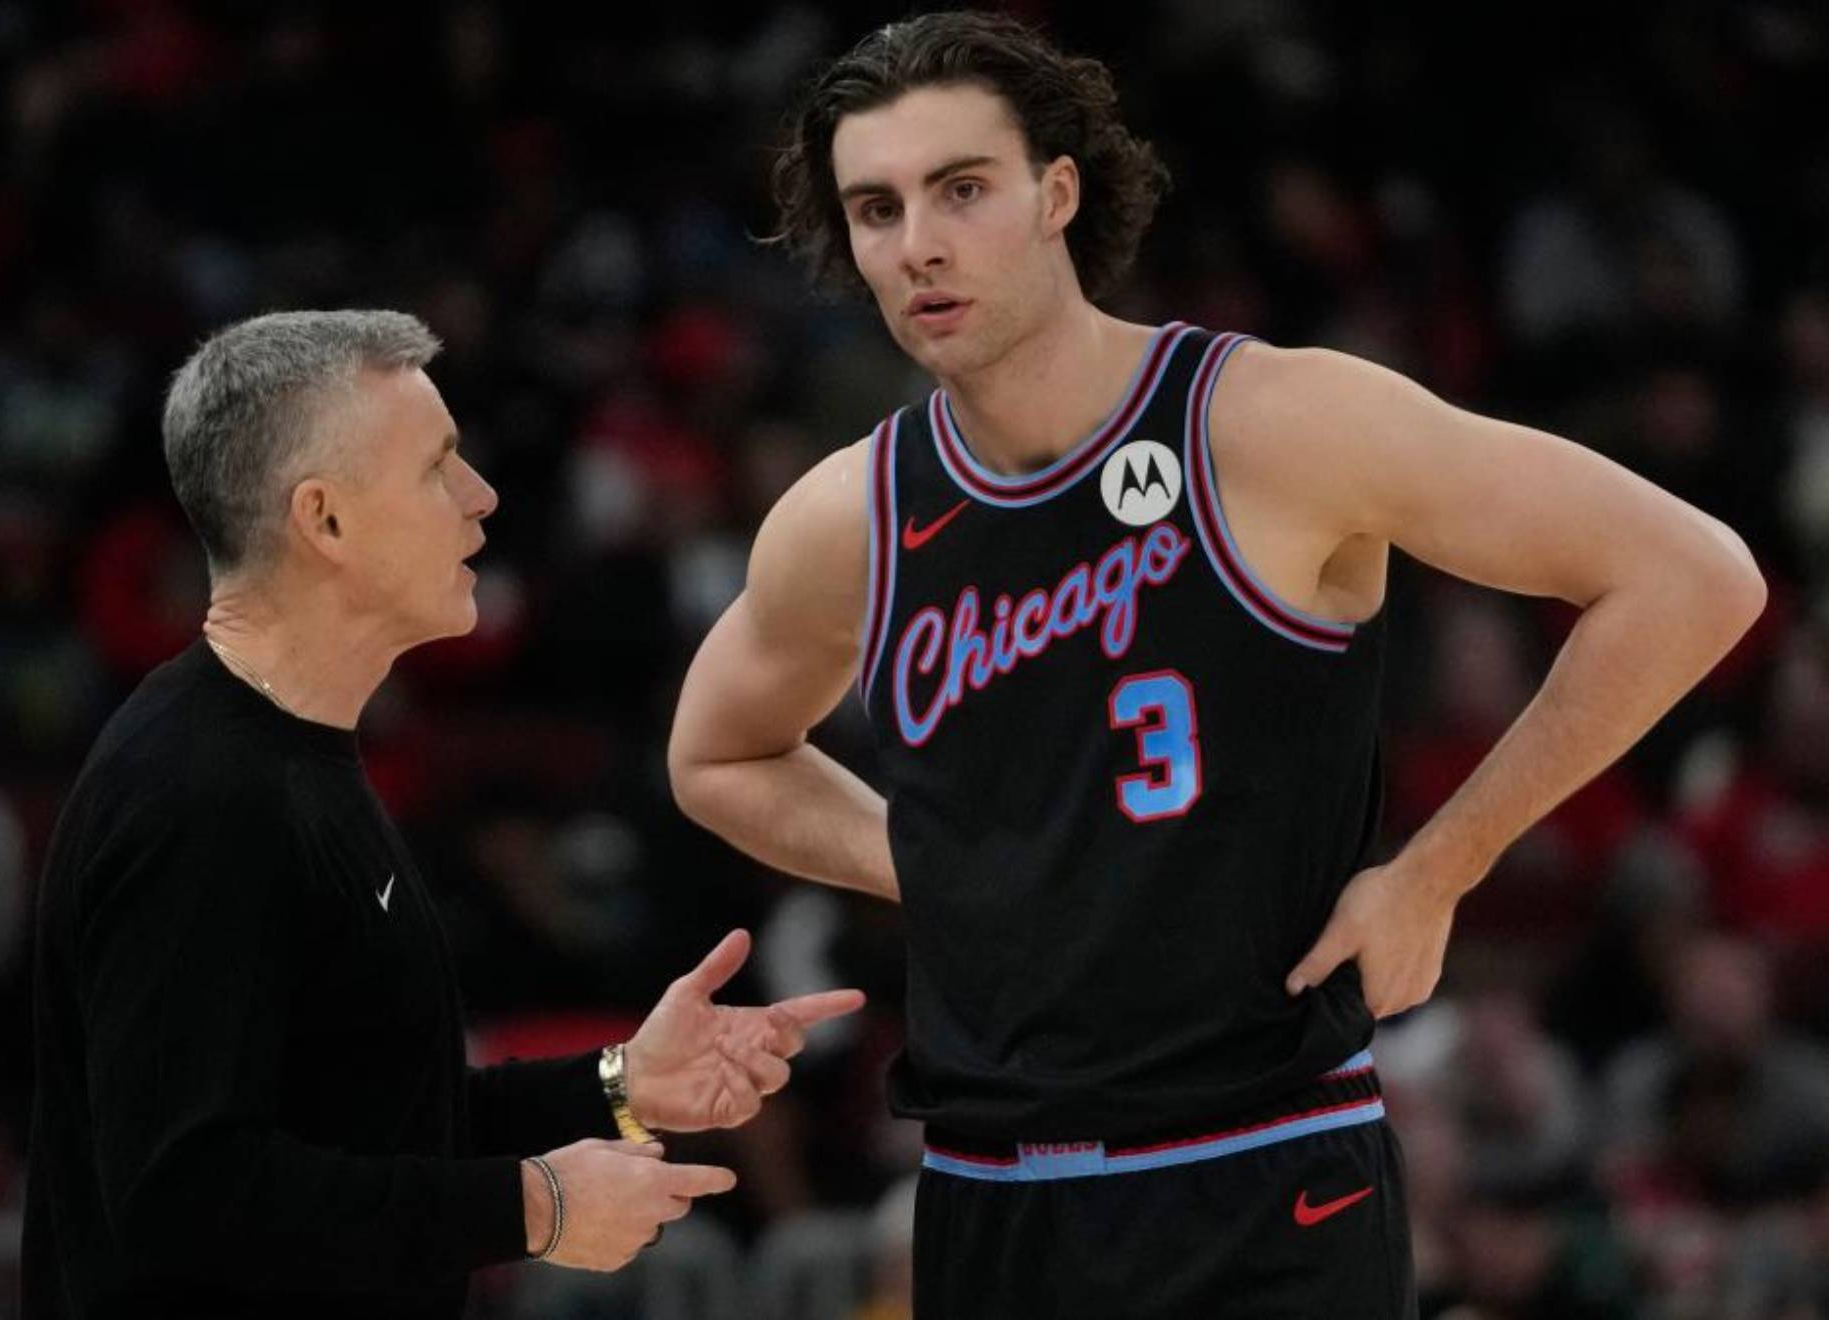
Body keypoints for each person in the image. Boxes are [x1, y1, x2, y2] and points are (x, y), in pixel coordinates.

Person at [667, 12, 1764, 1318]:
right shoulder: (851, 515)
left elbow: (1693, 578)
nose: (919, 245)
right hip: (988, 1194)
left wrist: (1441, 868)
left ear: (1057, 194)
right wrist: (928, 861)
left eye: (961, 189)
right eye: (876, 209)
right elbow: (716, 755)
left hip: (1262, 1174)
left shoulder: (1271, 423)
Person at [22, 310, 864, 1319]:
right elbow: (181, 1193)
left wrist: (621, 1082)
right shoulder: (198, 793)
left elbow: (376, 1116)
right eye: (437, 467)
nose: (481, 495)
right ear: (324, 520)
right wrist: (532, 1207)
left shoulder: (298, 758)